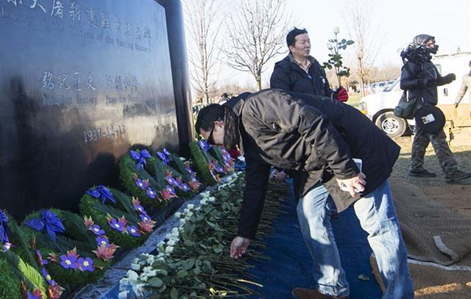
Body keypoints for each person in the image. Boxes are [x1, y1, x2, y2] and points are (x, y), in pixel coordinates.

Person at [195, 90, 414, 299]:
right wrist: (245, 233)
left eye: (213, 140)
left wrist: (346, 171)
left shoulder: (258, 106)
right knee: (309, 212)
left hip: (353, 148)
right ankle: (332, 288)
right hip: (322, 163)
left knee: (378, 225)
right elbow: (255, 184)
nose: (219, 146)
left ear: (219, 124)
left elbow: (313, 121)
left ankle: (399, 294)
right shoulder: (245, 138)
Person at [270, 27, 349, 186]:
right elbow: (281, 105)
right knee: (306, 180)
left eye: (309, 41)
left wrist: (335, 96)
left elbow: (324, 93)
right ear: (292, 47)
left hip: (324, 127)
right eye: (303, 42)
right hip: (302, 133)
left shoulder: (316, 66)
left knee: (329, 175)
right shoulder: (282, 71)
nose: (307, 45)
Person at [399, 35, 471, 183]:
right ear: (420, 45)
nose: (433, 45)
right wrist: (422, 81)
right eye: (429, 43)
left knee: (421, 138)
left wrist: (445, 79)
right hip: (422, 107)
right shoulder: (412, 64)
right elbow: (404, 83)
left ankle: (416, 168)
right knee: (438, 136)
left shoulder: (428, 63)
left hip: (428, 105)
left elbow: (435, 81)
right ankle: (451, 171)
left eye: (433, 43)